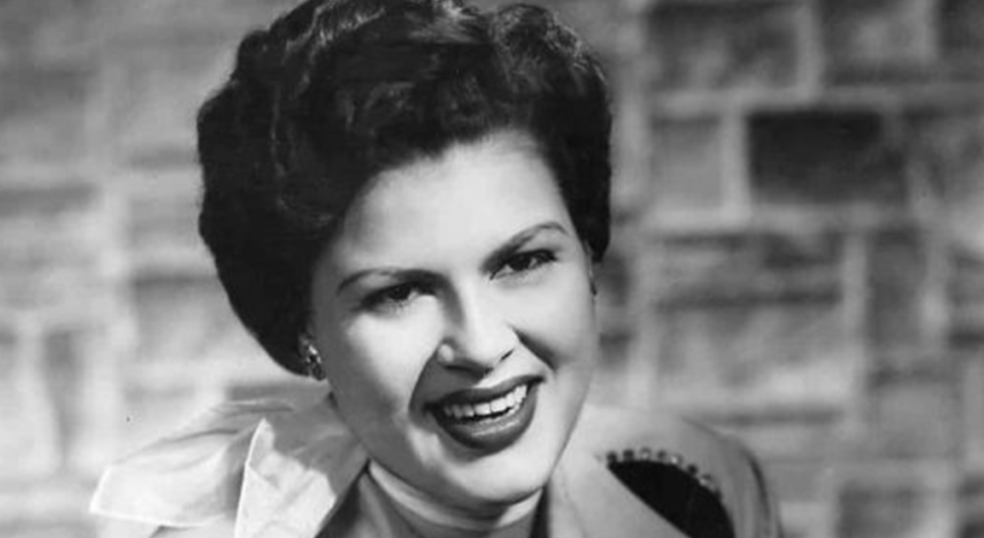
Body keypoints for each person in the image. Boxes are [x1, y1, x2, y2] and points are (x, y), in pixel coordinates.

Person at [90, 0, 782, 537]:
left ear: (586, 250)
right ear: (304, 329)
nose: (481, 346)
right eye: (399, 293)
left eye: (523, 261)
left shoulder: (698, 490)